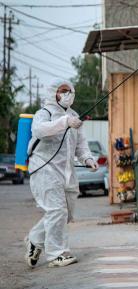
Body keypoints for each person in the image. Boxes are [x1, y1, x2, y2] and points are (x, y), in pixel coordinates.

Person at [25, 79, 98, 268]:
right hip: (44, 169)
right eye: (62, 91)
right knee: (56, 210)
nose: (67, 94)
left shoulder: (74, 116)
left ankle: (34, 239)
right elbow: (40, 131)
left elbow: (81, 144)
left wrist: (88, 159)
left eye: (70, 91)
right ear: (53, 93)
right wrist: (64, 122)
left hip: (67, 171)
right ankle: (57, 254)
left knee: (64, 214)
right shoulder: (44, 114)